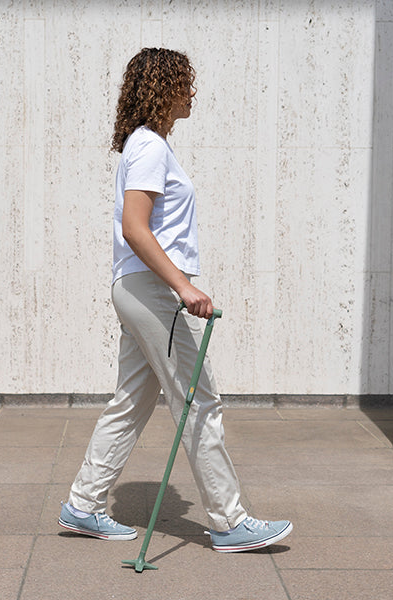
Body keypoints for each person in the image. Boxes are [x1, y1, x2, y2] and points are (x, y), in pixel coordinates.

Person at [59, 47, 292, 553]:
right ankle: (229, 522)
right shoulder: (149, 148)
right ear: (163, 88)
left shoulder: (148, 146)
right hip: (150, 290)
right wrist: (184, 287)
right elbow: (135, 228)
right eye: (185, 82)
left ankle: (84, 504)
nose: (193, 91)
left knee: (131, 402)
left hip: (141, 288)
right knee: (199, 399)